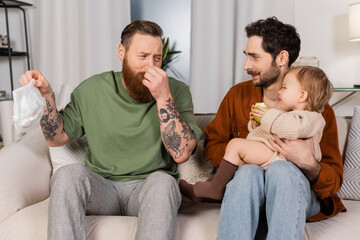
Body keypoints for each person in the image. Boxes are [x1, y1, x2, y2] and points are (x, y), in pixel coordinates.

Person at [18, 20, 202, 240]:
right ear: (121, 52)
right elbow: (56, 138)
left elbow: (181, 153)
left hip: (148, 189)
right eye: (142, 57)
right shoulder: (92, 90)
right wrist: (47, 96)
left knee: (164, 182)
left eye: (156, 58)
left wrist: (163, 97)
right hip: (102, 188)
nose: (151, 66)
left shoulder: (176, 91)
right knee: (67, 174)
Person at [203, 17, 344, 240]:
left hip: (296, 189)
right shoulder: (237, 95)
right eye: (246, 56)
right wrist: (254, 157)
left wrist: (307, 163)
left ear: (281, 57)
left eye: (254, 57)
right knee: (249, 172)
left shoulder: (319, 111)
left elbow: (333, 179)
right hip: (248, 190)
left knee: (283, 171)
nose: (246, 66)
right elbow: (213, 145)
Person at [180, 66, 333, 203]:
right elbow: (272, 130)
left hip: (282, 161)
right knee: (237, 169)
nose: (280, 91)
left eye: (285, 88)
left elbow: (292, 129)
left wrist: (267, 116)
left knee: (235, 145)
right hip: (274, 155)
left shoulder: (312, 118)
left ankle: (214, 189)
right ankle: (204, 190)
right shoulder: (285, 113)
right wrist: (256, 125)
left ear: (302, 96)